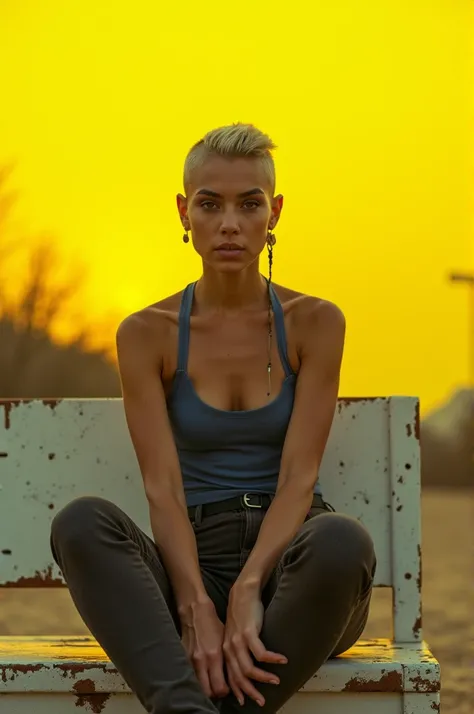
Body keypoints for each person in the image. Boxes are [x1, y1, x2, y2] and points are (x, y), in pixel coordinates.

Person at [50, 122, 376, 714]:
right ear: (184, 212)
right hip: (192, 563)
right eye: (210, 203)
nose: (230, 223)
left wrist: (252, 586)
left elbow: (300, 478)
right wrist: (196, 604)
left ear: (274, 213)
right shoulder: (146, 334)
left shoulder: (315, 323)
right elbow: (162, 487)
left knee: (342, 540)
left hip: (294, 579)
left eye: (249, 204)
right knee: (81, 523)